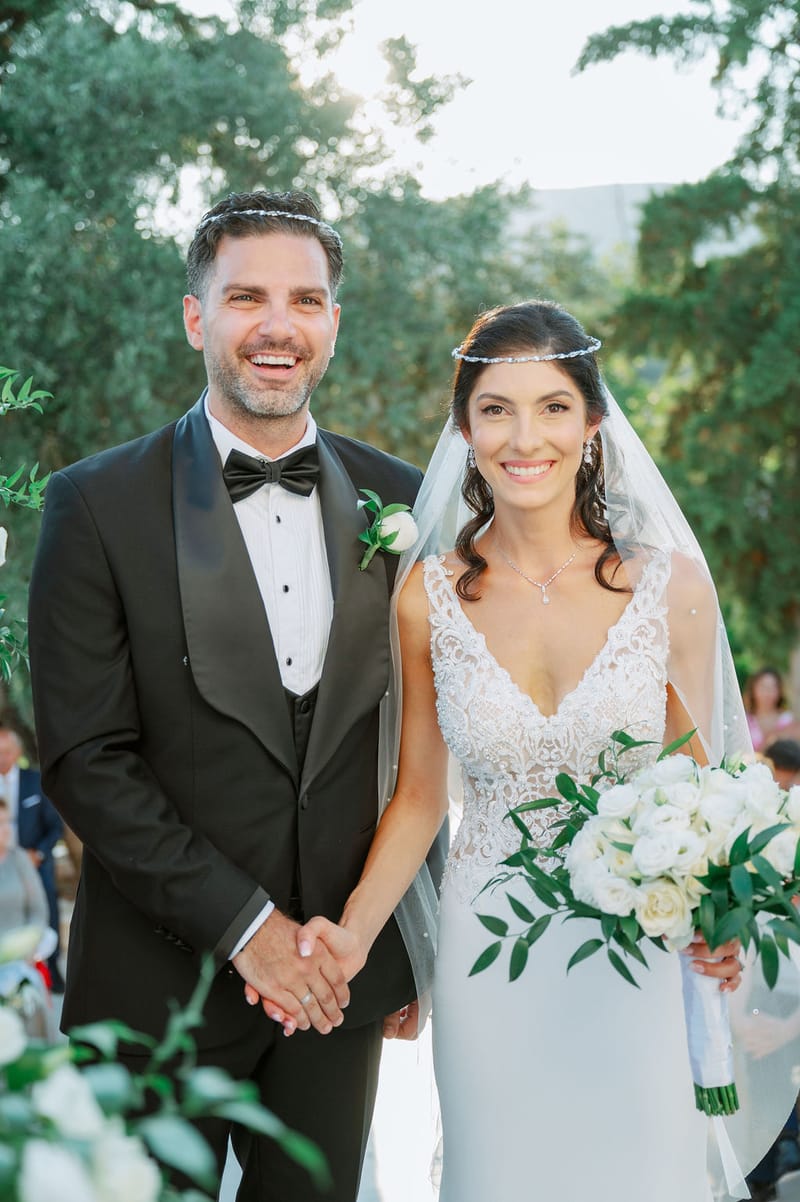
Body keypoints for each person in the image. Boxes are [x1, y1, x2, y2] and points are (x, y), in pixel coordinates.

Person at [285, 301, 798, 1201]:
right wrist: (351, 938)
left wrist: (724, 924)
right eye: (497, 409)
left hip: (641, 954)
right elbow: (416, 798)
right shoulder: (427, 599)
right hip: (493, 960)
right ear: (466, 429)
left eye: (554, 406)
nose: (528, 437)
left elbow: (707, 788)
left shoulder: (672, 587)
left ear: (594, 423)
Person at [27, 189, 443, 1202]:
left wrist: (407, 945)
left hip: (336, 987)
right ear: (194, 316)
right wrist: (247, 925)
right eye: (245, 296)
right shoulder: (96, 503)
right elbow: (88, 758)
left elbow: (419, 742)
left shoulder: (405, 500)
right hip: (153, 988)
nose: (276, 326)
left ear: (332, 324)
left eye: (304, 300)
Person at [0, 727, 64, 992]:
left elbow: (54, 827)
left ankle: (51, 969)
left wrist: (37, 853)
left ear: (17, 753)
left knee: (45, 911)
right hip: (3, 861)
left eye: (5, 752)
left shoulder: (35, 782)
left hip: (34, 861)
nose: (1, 758)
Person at [0, 796, 54, 1037]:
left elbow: (38, 911)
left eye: (6, 822)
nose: (4, 830)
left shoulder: (19, 859)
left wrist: (30, 948)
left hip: (20, 958)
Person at [744, 667, 795, 751]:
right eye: (763, 687)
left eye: (772, 687)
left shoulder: (787, 720)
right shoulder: (745, 720)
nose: (767, 692)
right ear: (753, 689)